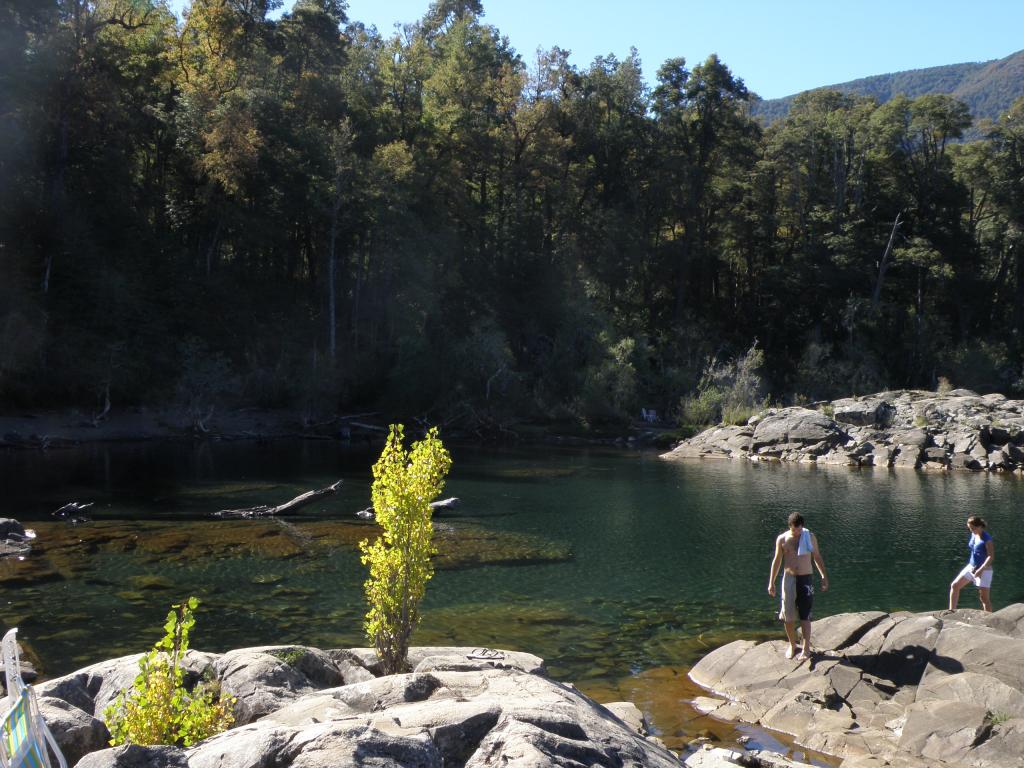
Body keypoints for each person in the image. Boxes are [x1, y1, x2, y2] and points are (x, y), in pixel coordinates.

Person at [768, 512, 828, 661]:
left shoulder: (809, 537)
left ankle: (806, 649)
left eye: (799, 529)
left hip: (805, 579)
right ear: (790, 527)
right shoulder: (782, 539)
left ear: (803, 526)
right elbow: (777, 561)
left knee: (805, 615)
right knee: (788, 617)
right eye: (794, 530)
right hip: (789, 579)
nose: (797, 533)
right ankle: (792, 645)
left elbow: (817, 557)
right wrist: (771, 582)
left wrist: (824, 576)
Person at [948, 515, 994, 612]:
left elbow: (991, 556)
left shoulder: (987, 539)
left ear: (980, 526)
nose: (971, 530)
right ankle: (951, 611)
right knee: (955, 585)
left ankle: (990, 620)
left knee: (984, 598)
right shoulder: (974, 534)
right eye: (970, 528)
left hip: (984, 570)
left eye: (973, 528)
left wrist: (981, 570)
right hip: (971, 566)